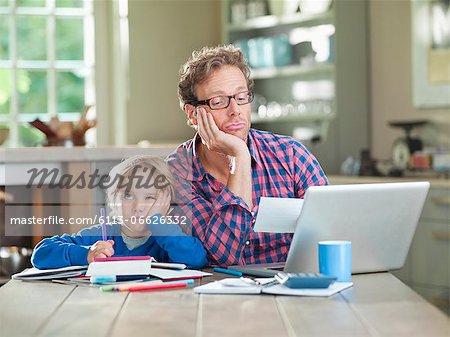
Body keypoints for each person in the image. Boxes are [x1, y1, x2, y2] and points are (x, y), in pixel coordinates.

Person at [166, 45, 328, 267]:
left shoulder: (291, 155)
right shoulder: (175, 174)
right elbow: (223, 257)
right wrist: (240, 157)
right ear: (193, 114)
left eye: (242, 97)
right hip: (215, 294)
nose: (235, 110)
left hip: (293, 288)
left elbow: (330, 235)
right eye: (219, 101)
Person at [31, 155, 208, 269]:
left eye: (150, 198)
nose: (138, 206)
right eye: (128, 196)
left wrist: (158, 222)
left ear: (166, 203)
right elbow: (41, 253)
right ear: (114, 202)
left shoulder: (168, 239)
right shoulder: (99, 236)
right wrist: (86, 254)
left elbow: (196, 259)